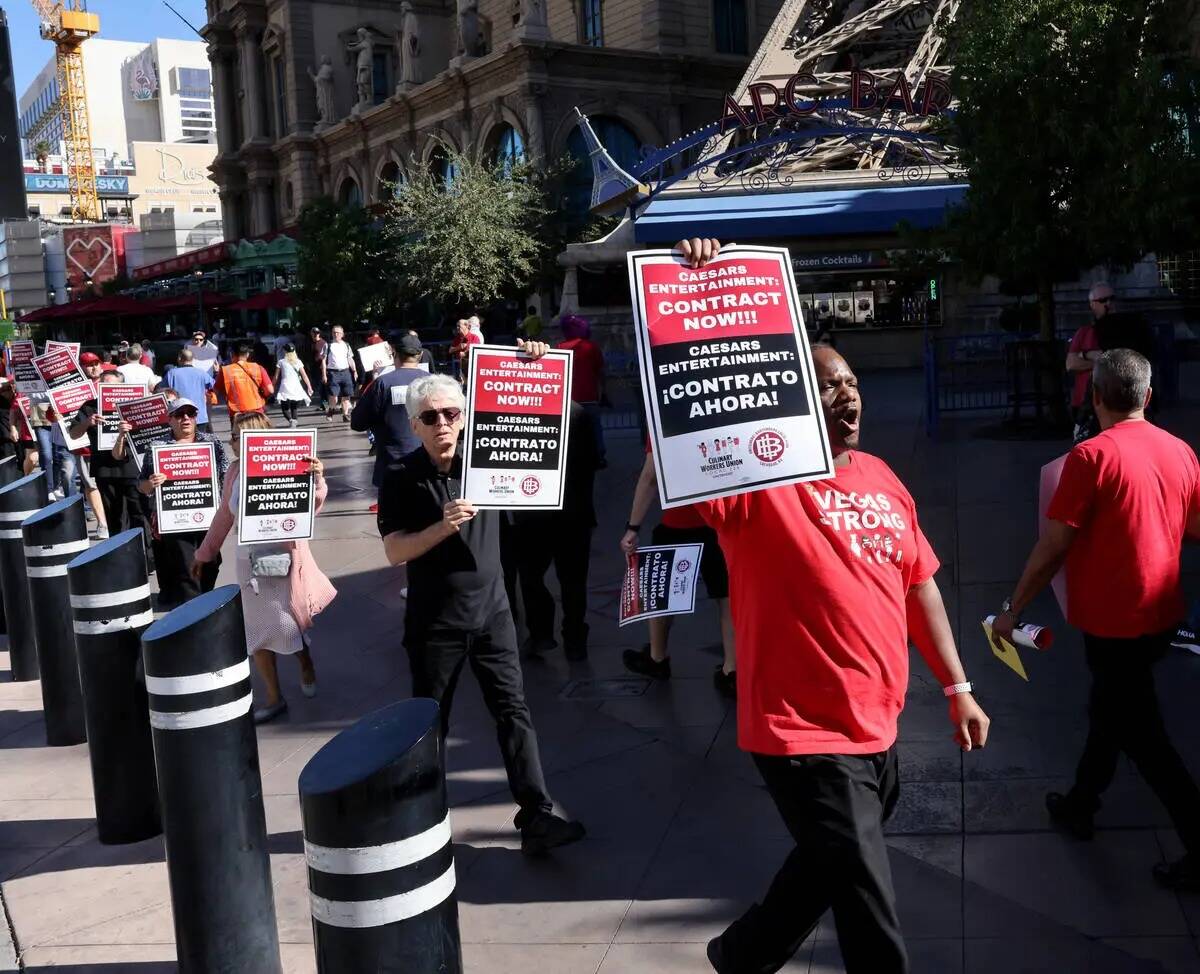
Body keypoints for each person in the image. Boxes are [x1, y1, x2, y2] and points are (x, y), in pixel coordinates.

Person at [674, 238, 988, 974]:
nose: (845, 393)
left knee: (828, 862)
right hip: (801, 732)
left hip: (878, 723)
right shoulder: (755, 484)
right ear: (786, 400)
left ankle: (744, 952)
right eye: (823, 385)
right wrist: (706, 300)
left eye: (849, 381)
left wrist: (958, 687)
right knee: (866, 899)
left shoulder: (882, 476)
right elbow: (687, 445)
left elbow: (921, 587)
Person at [993, 349, 1200, 891]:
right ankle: (1081, 804)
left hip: (1114, 624)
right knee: (1111, 712)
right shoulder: (1181, 451)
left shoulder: (1090, 458)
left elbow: (1053, 546)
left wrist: (1012, 611)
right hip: (1160, 617)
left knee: (1144, 737)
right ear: (1147, 397)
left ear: (1096, 396)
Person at [376, 361, 586, 857]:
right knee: (430, 726)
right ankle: (422, 824)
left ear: (466, 416)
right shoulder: (402, 475)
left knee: (514, 712)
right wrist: (439, 528)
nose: (442, 424)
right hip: (435, 624)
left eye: (451, 413)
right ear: (414, 425)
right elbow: (394, 550)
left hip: (493, 614)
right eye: (430, 417)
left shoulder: (488, 460)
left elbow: (526, 414)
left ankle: (536, 815)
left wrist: (529, 361)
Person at [194, 410, 336, 724]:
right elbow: (224, 517)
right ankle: (274, 697)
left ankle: (305, 661)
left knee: (286, 627)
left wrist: (317, 478)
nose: (230, 440)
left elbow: (311, 505)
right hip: (249, 565)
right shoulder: (233, 471)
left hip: (284, 562)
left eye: (235, 435)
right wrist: (204, 553)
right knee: (256, 634)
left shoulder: (286, 466)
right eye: (231, 434)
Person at [620, 440, 736, 697]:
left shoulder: (665, 413)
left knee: (660, 592)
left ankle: (657, 658)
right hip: (725, 519)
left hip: (680, 520)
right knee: (726, 594)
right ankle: (732, 669)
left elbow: (650, 476)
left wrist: (633, 527)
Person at [510, 402, 600, 660]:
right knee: (564, 580)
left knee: (536, 577)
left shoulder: (576, 413)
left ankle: (547, 634)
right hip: (565, 512)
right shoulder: (579, 412)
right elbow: (593, 460)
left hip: (548, 512)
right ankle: (569, 637)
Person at [132, 397, 229, 608]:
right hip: (174, 519)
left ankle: (203, 599)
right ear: (170, 420)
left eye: (190, 414)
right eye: (179, 414)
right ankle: (194, 612)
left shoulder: (211, 442)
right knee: (186, 568)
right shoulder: (157, 446)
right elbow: (141, 485)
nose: (186, 418)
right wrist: (151, 483)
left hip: (209, 515)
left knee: (212, 562)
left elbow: (226, 474)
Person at [69, 370, 148, 546]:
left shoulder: (135, 405)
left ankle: (145, 558)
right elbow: (73, 434)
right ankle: (119, 554)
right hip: (105, 470)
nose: (106, 389)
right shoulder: (89, 407)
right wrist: (87, 422)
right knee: (114, 518)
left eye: (112, 385)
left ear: (122, 388)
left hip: (132, 468)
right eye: (103, 385)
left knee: (139, 515)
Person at [350, 333, 426, 493]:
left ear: (394, 354)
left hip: (391, 466)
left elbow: (357, 422)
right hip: (428, 466)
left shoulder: (382, 383)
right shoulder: (433, 382)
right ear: (420, 355)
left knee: (393, 516)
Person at [556, 314, 606, 467]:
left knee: (570, 432)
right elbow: (600, 372)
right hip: (590, 396)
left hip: (569, 400)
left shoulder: (559, 347)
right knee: (595, 429)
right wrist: (603, 392)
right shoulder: (591, 346)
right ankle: (599, 457)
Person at [74, 353, 110, 539]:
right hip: (85, 445)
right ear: (82, 367)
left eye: (96, 363)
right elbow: (62, 416)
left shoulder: (113, 378)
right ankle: (102, 523)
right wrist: (53, 414)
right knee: (91, 484)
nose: (94, 367)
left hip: (113, 444)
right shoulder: (74, 388)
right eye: (88, 365)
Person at [215, 342, 275, 420]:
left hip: (236, 412)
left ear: (232, 354)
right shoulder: (258, 368)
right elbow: (270, 390)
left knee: (239, 432)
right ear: (247, 354)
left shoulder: (225, 370)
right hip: (257, 409)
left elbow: (216, 391)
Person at [162, 348, 216, 432]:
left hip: (179, 416)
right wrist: (216, 372)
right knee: (200, 443)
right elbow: (213, 386)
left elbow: (161, 390)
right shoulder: (201, 373)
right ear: (192, 359)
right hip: (199, 416)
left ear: (179, 358)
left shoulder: (172, 373)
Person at [320, 324, 357, 423]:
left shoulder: (346, 345)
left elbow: (350, 359)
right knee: (333, 396)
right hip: (333, 373)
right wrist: (324, 374)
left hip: (345, 372)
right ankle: (331, 409)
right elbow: (323, 361)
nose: (336, 334)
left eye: (338, 332)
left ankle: (345, 414)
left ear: (342, 334)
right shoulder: (328, 345)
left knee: (346, 396)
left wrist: (354, 371)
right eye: (334, 332)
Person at [274, 343, 315, 428]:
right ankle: (294, 421)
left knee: (284, 407)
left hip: (285, 386)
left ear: (285, 351)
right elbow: (304, 376)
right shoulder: (298, 361)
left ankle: (291, 420)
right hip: (296, 387)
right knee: (294, 407)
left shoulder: (281, 362)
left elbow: (276, 377)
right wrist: (309, 386)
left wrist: (272, 386)